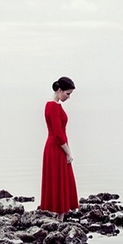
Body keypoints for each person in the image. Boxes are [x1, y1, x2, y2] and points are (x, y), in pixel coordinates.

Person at [40, 76, 79, 214]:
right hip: (57, 147)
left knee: (59, 178)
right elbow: (58, 134)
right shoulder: (53, 107)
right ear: (59, 90)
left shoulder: (51, 105)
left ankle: (59, 214)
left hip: (54, 146)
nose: (68, 97)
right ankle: (60, 215)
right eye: (67, 94)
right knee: (59, 178)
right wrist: (68, 152)